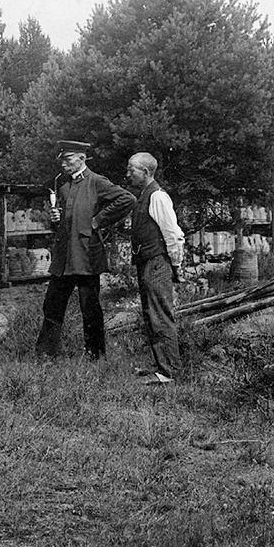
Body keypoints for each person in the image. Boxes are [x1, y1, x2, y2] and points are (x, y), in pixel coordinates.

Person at [36, 140, 136, 360]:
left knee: (89, 308)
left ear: (82, 158)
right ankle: (45, 356)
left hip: (86, 257)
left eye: (68, 159)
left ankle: (95, 357)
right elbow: (64, 220)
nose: (63, 164)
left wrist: (99, 220)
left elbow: (127, 199)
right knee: (52, 306)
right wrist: (55, 219)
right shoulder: (62, 186)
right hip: (64, 259)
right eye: (62, 159)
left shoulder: (96, 182)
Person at [125, 151, 186, 385]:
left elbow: (173, 235)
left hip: (157, 262)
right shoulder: (143, 196)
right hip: (147, 262)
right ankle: (162, 365)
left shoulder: (158, 197)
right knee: (152, 315)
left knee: (160, 315)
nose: (128, 174)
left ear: (146, 172)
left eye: (132, 170)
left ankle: (168, 372)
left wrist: (176, 266)